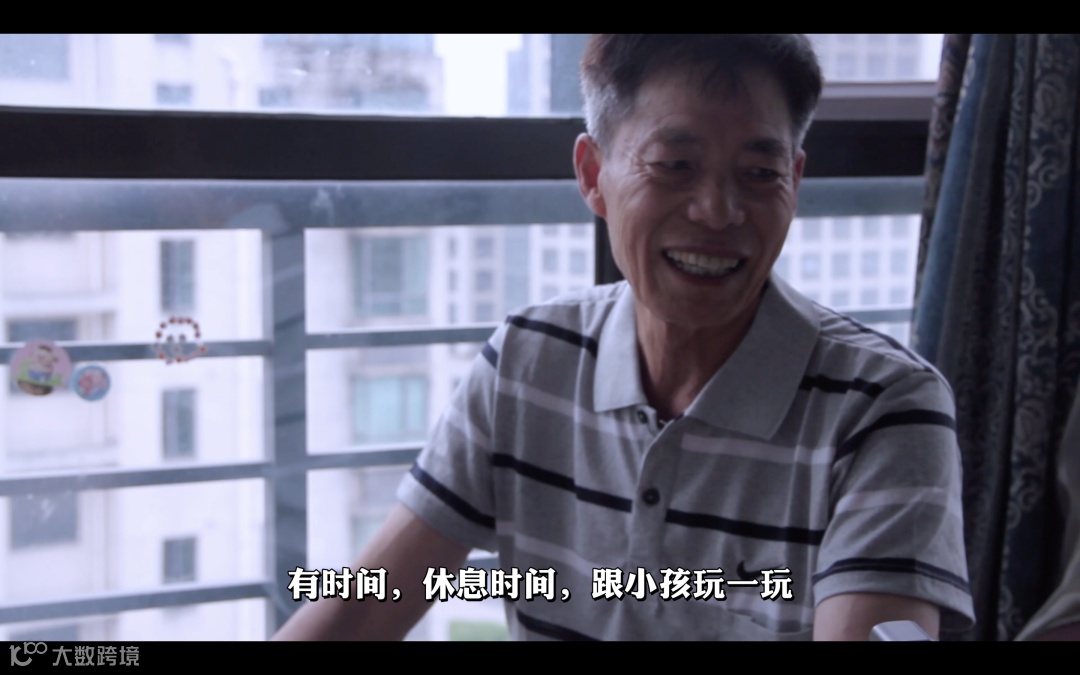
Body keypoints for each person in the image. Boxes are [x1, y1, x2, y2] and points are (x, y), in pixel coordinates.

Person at [275, 34, 975, 641]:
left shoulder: (885, 409)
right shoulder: (527, 361)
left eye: (760, 174)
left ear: (794, 180)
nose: (718, 211)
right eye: (675, 165)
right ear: (593, 175)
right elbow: (364, 605)